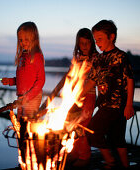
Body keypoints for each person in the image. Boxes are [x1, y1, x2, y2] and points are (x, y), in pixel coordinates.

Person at [39, 28, 98, 168]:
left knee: (81, 126)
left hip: (87, 97)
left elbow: (94, 81)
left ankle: (84, 156)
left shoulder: (96, 59)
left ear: (92, 43)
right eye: (81, 43)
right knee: (71, 124)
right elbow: (67, 77)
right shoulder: (77, 59)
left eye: (87, 43)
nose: (84, 46)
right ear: (77, 44)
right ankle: (75, 153)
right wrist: (54, 93)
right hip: (73, 98)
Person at [80, 20, 134, 169]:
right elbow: (92, 81)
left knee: (92, 132)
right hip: (104, 104)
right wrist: (78, 95)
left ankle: (110, 162)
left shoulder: (120, 57)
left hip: (118, 105)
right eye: (95, 40)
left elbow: (130, 80)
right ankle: (124, 166)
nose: (97, 43)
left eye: (100, 39)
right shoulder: (99, 59)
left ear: (111, 36)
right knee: (118, 140)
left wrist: (129, 105)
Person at [1, 21, 45, 121]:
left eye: (26, 39)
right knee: (20, 124)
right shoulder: (22, 56)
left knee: (27, 124)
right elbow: (24, 79)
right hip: (21, 97)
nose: (23, 42)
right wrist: (10, 81)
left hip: (32, 98)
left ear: (34, 38)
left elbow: (41, 80)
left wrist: (28, 97)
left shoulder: (36, 56)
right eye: (20, 40)